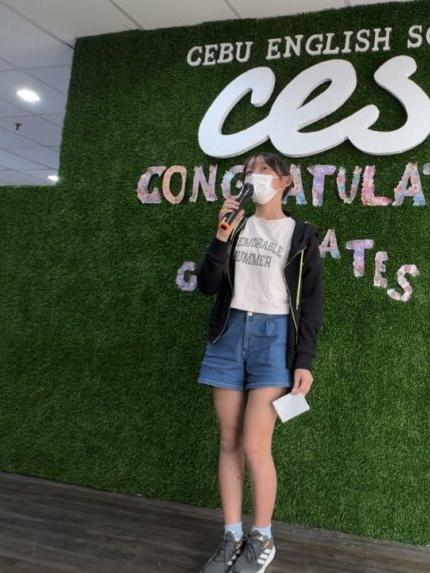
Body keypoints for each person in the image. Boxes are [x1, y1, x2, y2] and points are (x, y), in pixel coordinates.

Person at [195, 152, 324, 573]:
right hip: (229, 332)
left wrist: (304, 360)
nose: (256, 177)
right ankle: (232, 535)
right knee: (229, 441)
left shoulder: (301, 235)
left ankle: (263, 538)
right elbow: (206, 285)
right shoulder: (236, 226)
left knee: (254, 444)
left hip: (275, 338)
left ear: (285, 182)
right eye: (250, 171)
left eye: (265, 171)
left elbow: (311, 305)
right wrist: (221, 236)